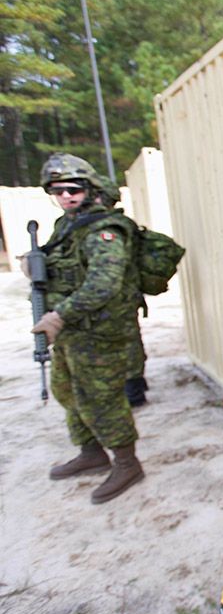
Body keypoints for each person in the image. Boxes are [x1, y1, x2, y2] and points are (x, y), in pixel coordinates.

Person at [34, 153, 145, 504]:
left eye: (72, 189)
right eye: (57, 190)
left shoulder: (103, 230)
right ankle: (91, 452)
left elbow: (104, 283)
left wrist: (59, 315)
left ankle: (127, 464)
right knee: (67, 391)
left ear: (89, 188)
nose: (65, 196)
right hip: (73, 332)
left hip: (100, 333)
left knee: (102, 399)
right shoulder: (66, 225)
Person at [91, 172, 149, 408]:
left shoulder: (116, 226)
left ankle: (134, 390)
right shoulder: (94, 225)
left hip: (121, 296)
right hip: (111, 297)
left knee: (129, 343)